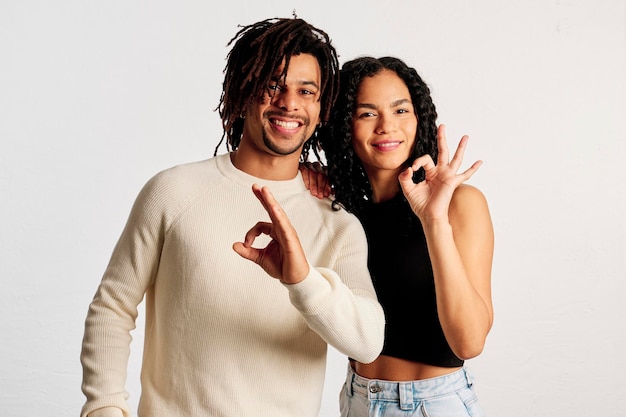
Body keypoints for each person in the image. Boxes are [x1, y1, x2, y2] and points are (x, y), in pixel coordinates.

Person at [79, 18, 385, 417]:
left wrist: (302, 280)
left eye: (305, 91)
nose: (289, 103)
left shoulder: (337, 224)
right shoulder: (173, 191)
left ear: (320, 107)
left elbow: (367, 341)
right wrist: (103, 408)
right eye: (273, 85)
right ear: (242, 92)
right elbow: (113, 305)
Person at [303, 56, 494, 416]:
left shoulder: (459, 204)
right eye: (366, 113)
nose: (387, 127)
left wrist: (434, 219)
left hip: (431, 404)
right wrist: (301, 175)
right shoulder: (341, 208)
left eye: (400, 110)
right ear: (344, 126)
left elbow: (469, 342)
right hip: (356, 398)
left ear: (418, 116)